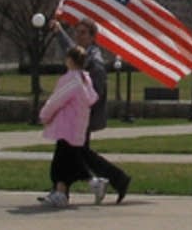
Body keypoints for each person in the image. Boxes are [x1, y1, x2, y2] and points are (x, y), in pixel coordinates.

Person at [51, 17, 131, 204]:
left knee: (71, 153)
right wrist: (58, 32)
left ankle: (69, 189)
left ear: (93, 37)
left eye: (83, 32)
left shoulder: (95, 62)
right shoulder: (82, 56)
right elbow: (71, 51)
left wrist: (81, 112)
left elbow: (95, 93)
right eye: (77, 32)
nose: (78, 36)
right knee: (76, 153)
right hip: (75, 117)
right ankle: (63, 190)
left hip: (82, 118)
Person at [38, 46, 107, 207]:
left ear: (70, 60)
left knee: (60, 163)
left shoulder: (71, 80)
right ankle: (67, 190)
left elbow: (57, 100)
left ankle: (74, 189)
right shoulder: (85, 80)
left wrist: (44, 115)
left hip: (66, 127)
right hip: (76, 127)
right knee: (70, 161)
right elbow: (92, 99)